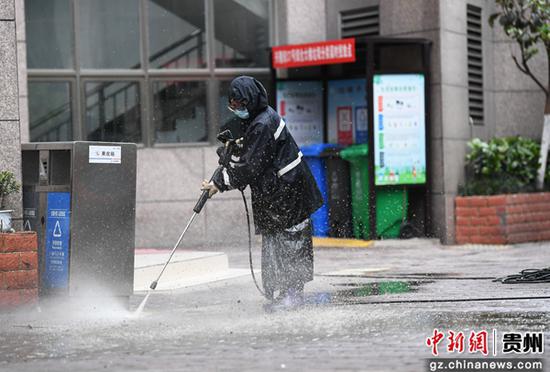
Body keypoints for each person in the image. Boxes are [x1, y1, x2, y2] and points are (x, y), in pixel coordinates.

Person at [201, 76, 323, 307]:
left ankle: (292, 295)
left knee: (290, 243)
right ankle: (282, 292)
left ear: (249, 101)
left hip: (288, 192)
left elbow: (250, 167)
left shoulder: (262, 123)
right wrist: (237, 146)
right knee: (276, 243)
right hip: (278, 191)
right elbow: (258, 152)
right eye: (233, 105)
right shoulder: (260, 117)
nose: (236, 109)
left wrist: (221, 182)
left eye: (239, 105)